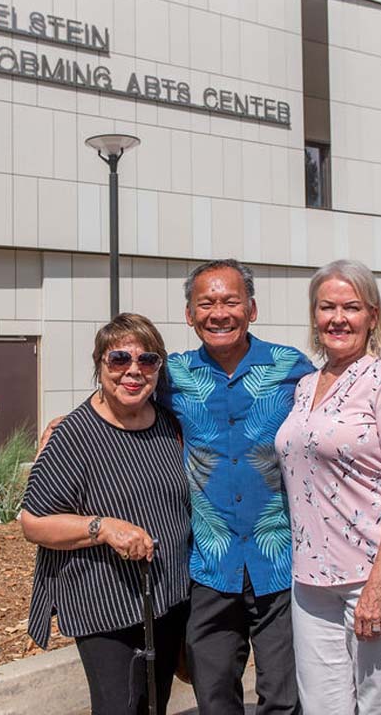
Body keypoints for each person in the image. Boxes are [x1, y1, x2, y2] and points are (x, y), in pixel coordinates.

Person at [274, 260, 381, 714]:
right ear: (314, 315)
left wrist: (379, 586)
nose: (338, 318)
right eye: (327, 307)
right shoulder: (305, 386)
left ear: (372, 316)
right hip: (312, 581)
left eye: (351, 307)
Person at [22, 313, 191, 715]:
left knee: (155, 704)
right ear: (99, 365)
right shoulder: (73, 435)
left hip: (166, 595)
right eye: (119, 359)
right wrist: (103, 528)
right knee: (121, 707)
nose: (133, 370)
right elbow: (34, 522)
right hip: (105, 603)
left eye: (147, 360)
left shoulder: (168, 425)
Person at [166, 259, 315, 715]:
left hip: (279, 561)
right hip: (210, 564)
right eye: (205, 303)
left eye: (230, 301)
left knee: (283, 699)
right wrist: (67, 422)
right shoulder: (171, 375)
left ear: (251, 309)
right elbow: (120, 401)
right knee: (213, 698)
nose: (219, 313)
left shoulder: (291, 366)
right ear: (189, 314)